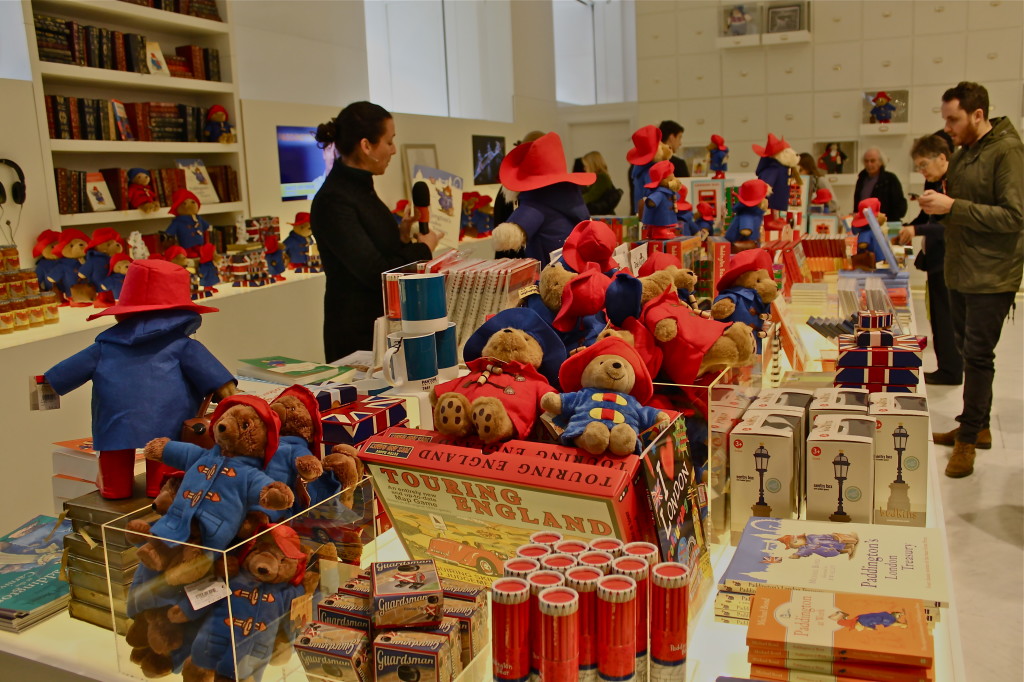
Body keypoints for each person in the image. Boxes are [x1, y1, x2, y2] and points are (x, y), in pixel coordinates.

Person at [917, 82, 1024, 478]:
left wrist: (953, 206)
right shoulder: (964, 152)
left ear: (978, 115)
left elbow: (1014, 217)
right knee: (968, 352)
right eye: (945, 118)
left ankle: (968, 441)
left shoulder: (1008, 151)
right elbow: (962, 209)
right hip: (962, 269)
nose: (947, 127)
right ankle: (975, 425)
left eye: (953, 119)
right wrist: (939, 206)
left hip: (992, 273)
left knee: (978, 356)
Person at [310, 101, 441, 363]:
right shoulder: (334, 200)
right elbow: (374, 272)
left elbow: (375, 251)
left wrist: (401, 236)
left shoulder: (359, 189)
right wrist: (423, 248)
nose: (393, 150)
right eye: (389, 142)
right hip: (357, 333)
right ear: (366, 146)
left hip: (379, 324)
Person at [896, 133, 963, 387]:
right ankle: (948, 367)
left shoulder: (955, 184)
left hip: (950, 259)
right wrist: (907, 228)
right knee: (937, 314)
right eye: (918, 167)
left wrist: (916, 231)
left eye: (924, 164)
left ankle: (952, 370)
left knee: (946, 316)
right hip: (936, 258)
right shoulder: (933, 184)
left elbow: (949, 226)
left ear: (942, 158)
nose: (922, 171)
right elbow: (926, 220)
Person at [853, 147, 906, 221]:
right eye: (866, 161)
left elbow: (899, 206)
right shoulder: (861, 179)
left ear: (881, 162)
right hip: (864, 223)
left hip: (885, 223)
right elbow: (857, 204)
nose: (869, 164)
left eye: (872, 161)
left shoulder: (890, 179)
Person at [580, 151, 622, 215]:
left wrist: (576, 200)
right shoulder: (601, 177)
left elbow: (592, 196)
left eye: (586, 166)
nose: (584, 169)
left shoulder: (601, 177)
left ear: (592, 165)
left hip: (602, 216)